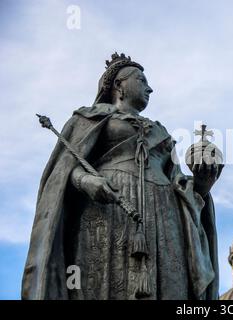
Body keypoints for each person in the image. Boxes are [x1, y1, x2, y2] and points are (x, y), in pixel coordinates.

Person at [22, 53, 222, 300]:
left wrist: (202, 184)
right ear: (119, 85)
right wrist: (86, 181)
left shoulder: (160, 131)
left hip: (164, 217)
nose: (150, 88)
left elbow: (178, 183)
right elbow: (62, 172)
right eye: (141, 80)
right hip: (108, 210)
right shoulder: (89, 119)